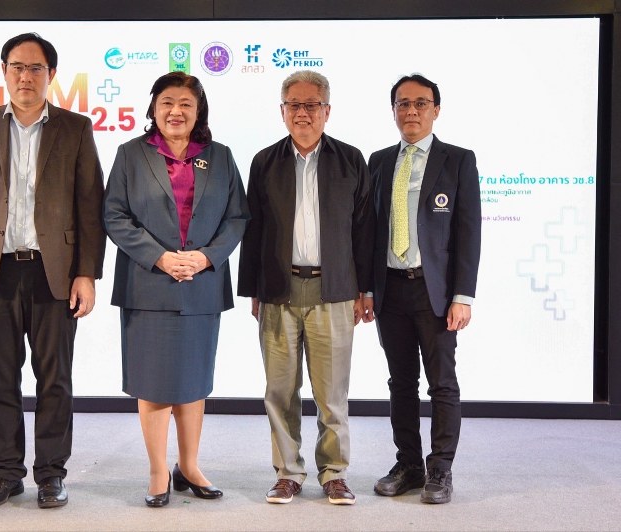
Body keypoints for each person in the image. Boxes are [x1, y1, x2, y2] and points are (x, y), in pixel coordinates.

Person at [0, 32, 106, 509]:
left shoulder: (75, 128)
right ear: (4, 71)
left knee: (54, 379)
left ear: (51, 75)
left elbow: (90, 206)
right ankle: (5, 473)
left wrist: (86, 273)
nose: (25, 76)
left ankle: (52, 474)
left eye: (36, 68)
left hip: (53, 273)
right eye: (17, 66)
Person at [103, 71, 249, 508]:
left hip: (201, 284)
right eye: (167, 102)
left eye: (186, 103)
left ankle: (189, 466)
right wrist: (161, 257)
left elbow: (237, 217)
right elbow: (114, 215)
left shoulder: (220, 157)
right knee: (153, 385)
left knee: (193, 383)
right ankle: (157, 471)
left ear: (199, 111)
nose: (176, 111)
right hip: (148, 284)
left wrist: (205, 257)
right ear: (153, 108)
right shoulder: (131, 154)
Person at [237, 70, 374, 505]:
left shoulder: (351, 160)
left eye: (311, 105)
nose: (302, 113)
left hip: (335, 291)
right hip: (278, 291)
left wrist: (366, 289)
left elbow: (364, 231)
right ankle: (288, 473)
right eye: (293, 105)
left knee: (331, 395)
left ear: (327, 111)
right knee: (280, 391)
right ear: (282, 112)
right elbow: (253, 231)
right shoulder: (264, 162)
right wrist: (253, 290)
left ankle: (334, 473)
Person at [365, 73, 481, 504]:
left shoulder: (458, 160)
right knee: (400, 383)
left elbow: (468, 232)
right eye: (403, 103)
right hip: (390, 290)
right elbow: (369, 231)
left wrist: (462, 296)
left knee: (442, 384)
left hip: (435, 294)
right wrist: (366, 289)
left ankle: (441, 469)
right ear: (393, 110)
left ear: (435, 110)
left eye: (420, 103)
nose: (411, 111)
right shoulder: (379, 161)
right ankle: (410, 465)